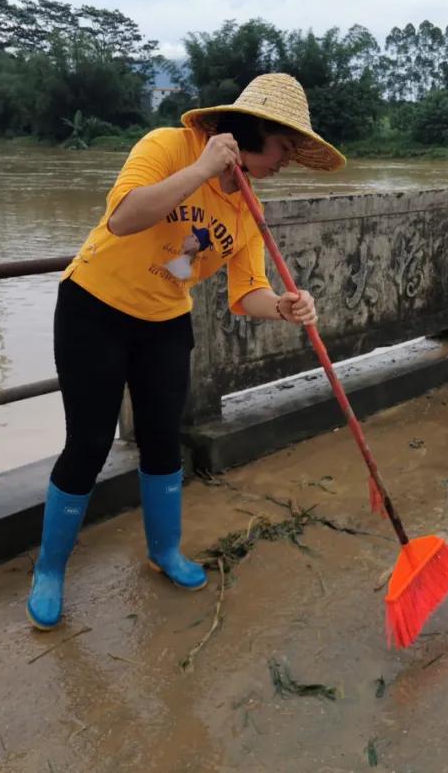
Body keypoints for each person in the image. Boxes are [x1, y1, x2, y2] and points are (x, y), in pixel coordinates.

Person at [27, 73, 346, 630]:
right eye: (284, 148)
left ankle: (165, 551)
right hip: (93, 307)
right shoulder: (167, 147)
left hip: (164, 321)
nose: (286, 162)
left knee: (161, 438)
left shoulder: (249, 210)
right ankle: (50, 569)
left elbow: (247, 295)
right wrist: (201, 170)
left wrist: (287, 306)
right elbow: (123, 218)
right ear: (254, 131)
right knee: (90, 442)